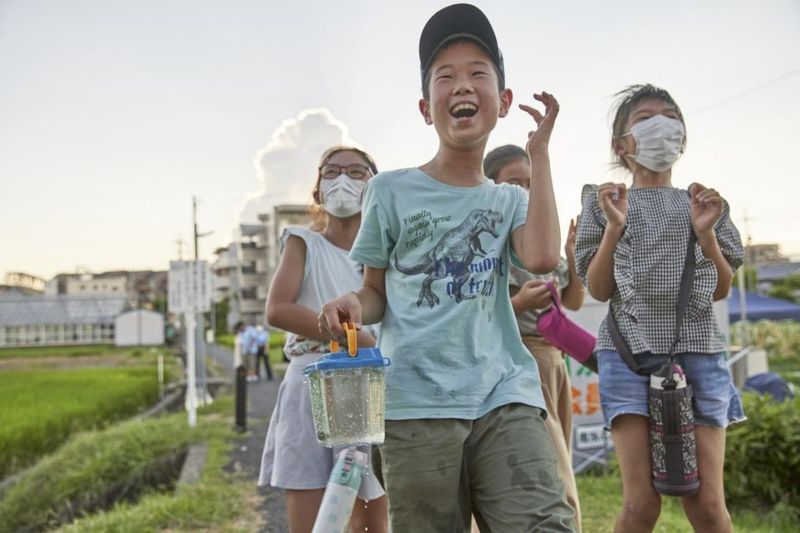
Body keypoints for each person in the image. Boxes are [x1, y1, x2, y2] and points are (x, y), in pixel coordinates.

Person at [319, 4, 575, 531]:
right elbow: (375, 293)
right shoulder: (390, 189)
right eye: (446, 76)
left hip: (505, 391)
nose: (463, 85)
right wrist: (353, 306)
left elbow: (544, 258)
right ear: (425, 106)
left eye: (478, 73)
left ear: (502, 101)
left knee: (544, 522)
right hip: (414, 403)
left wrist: (541, 153)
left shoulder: (508, 199)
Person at [575, 83, 745, 533]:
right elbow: (599, 286)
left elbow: (720, 289)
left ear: (683, 135)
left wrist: (706, 233)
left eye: (670, 117)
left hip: (700, 352)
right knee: (641, 505)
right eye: (646, 118)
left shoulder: (706, 203)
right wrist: (613, 228)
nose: (661, 126)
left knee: (706, 505)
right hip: (627, 353)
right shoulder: (603, 200)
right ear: (620, 145)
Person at [258, 146, 388, 533]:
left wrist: (365, 345)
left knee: (371, 519)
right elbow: (277, 309)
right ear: (317, 190)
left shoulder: (383, 253)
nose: (342, 180)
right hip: (310, 380)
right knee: (315, 519)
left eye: (356, 172)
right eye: (331, 172)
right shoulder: (302, 241)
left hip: (369, 386)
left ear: (375, 186)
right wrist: (355, 336)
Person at [484, 144, 584, 531]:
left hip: (557, 361)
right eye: (514, 183)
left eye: (530, 183)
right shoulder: (493, 245)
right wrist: (520, 302)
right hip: (521, 359)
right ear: (492, 187)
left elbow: (573, 302)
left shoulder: (544, 244)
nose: (524, 192)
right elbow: (477, 314)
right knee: (554, 470)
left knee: (564, 459)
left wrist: (573, 260)